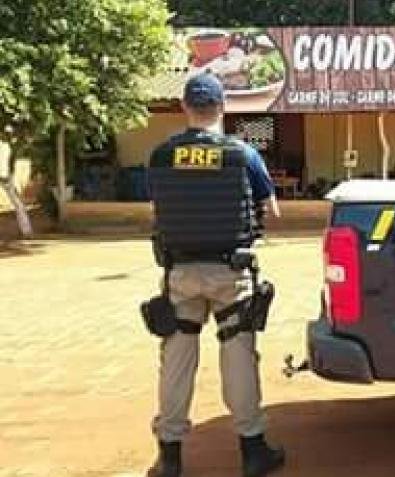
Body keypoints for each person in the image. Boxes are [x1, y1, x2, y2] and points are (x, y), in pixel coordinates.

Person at [145, 73, 285, 477]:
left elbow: (156, 210)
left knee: (176, 360)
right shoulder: (243, 155)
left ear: (184, 107)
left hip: (180, 274)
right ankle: (253, 450)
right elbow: (272, 210)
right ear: (223, 107)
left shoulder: (161, 156)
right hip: (230, 273)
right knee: (239, 356)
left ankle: (170, 457)